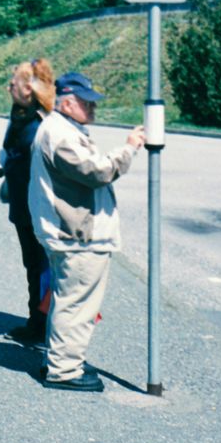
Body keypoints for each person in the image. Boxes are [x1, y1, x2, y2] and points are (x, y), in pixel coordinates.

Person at [30, 71, 144, 392]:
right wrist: (129, 149)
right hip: (76, 235)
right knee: (77, 305)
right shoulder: (61, 135)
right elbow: (98, 171)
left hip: (69, 233)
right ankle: (64, 370)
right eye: (86, 103)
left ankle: (61, 360)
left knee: (68, 300)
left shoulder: (60, 128)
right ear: (67, 103)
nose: (93, 108)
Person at [0, 58, 55, 345]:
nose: (9, 87)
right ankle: (37, 321)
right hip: (23, 203)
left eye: (13, 83)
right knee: (33, 264)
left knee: (44, 266)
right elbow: (8, 152)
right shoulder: (19, 116)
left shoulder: (44, 122)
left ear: (28, 89)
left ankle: (45, 325)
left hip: (41, 206)